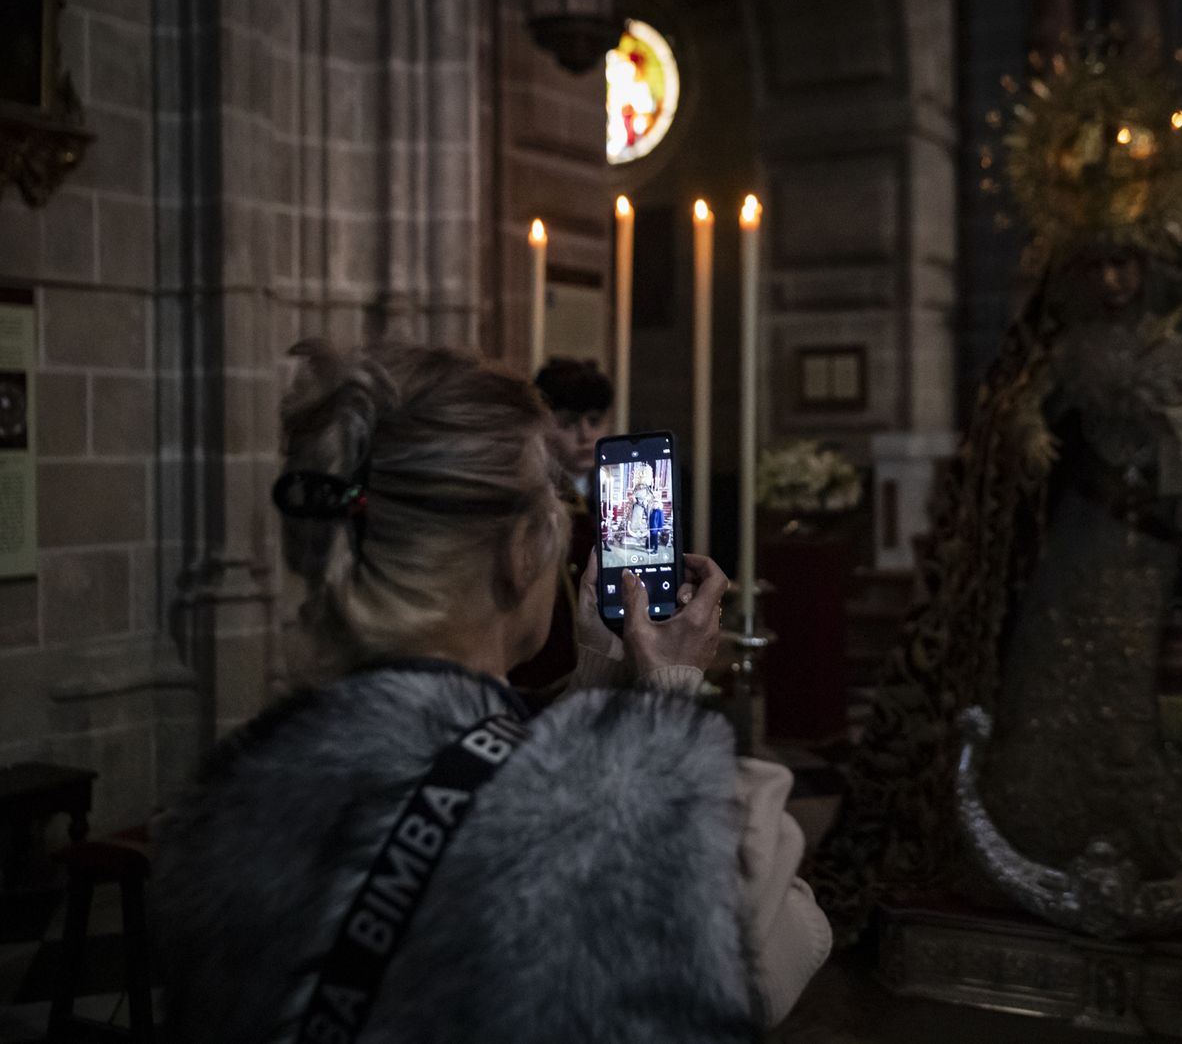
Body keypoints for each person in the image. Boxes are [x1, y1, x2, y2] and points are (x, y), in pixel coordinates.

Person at [151, 341, 831, 1042]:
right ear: (518, 555)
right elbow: (778, 944)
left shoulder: (234, 786)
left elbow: (462, 773)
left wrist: (599, 670)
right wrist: (667, 698)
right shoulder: (616, 820)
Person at [506, 358, 612, 700]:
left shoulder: (617, 490)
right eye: (567, 424)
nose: (584, 436)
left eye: (594, 422)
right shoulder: (531, 497)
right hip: (547, 672)